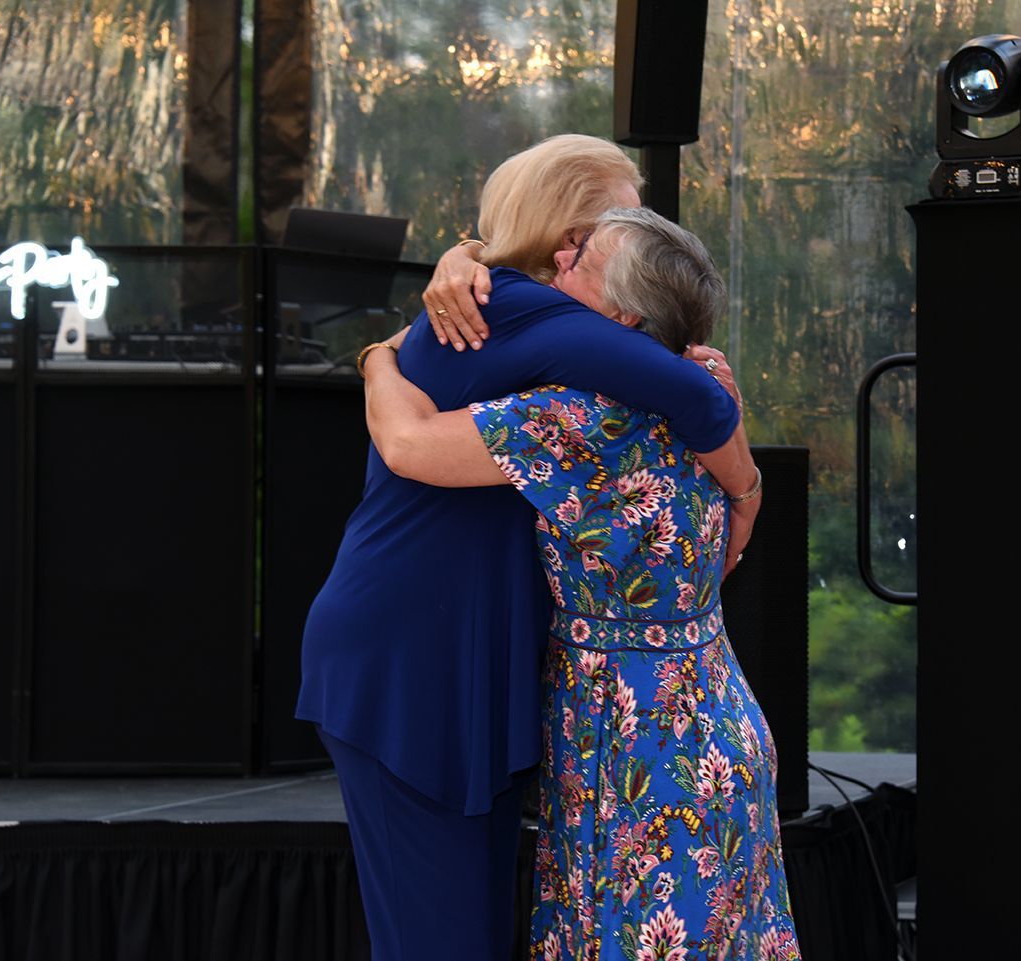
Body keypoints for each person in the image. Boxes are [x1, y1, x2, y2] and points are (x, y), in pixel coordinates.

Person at [297, 135, 760, 961]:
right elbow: (700, 399)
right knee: (446, 933)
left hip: (482, 656)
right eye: (603, 223)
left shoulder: (537, 334)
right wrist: (749, 491)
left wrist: (380, 352)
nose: (575, 248)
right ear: (561, 230)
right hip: (418, 656)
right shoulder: (525, 316)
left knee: (469, 928)